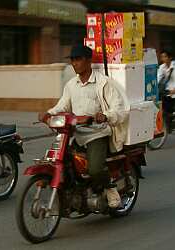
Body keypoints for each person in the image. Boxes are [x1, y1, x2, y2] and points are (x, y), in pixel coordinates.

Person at [39, 44, 129, 208]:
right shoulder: (71, 85)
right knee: (60, 162)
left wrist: (105, 116)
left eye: (78, 59)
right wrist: (48, 113)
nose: (74, 63)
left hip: (97, 134)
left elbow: (119, 109)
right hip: (75, 133)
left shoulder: (103, 83)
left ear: (88, 61)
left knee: (94, 169)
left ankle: (110, 187)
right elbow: (62, 106)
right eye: (72, 60)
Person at [158, 50, 175, 131]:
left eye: (165, 57)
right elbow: (158, 80)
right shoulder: (162, 67)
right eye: (162, 57)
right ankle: (168, 127)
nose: (163, 59)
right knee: (165, 110)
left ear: (170, 57)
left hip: (174, 90)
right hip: (167, 92)